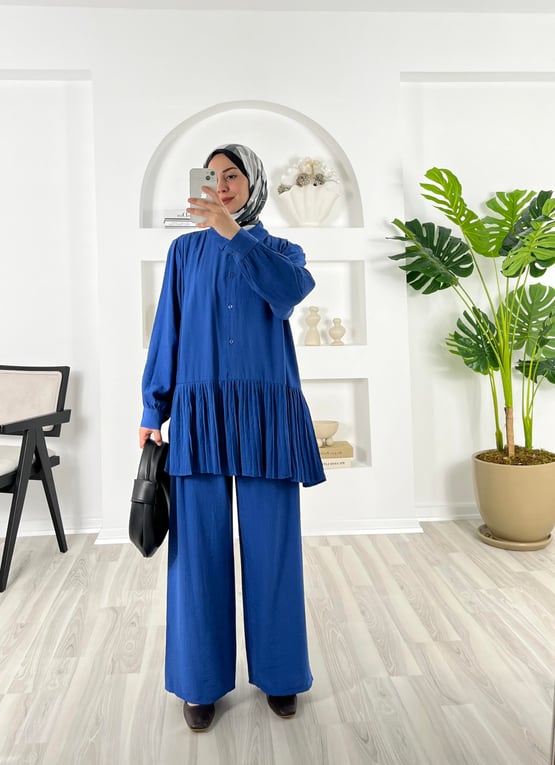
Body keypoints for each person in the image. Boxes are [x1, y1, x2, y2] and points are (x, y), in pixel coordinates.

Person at [139, 143, 325, 732]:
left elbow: (289, 294)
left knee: (274, 550)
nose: (221, 185)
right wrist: (153, 406)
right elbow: (167, 329)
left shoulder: (281, 251)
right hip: (198, 413)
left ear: (254, 184)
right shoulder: (183, 252)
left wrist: (231, 232)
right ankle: (200, 683)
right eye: (212, 176)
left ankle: (280, 674)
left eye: (233, 176)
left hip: (267, 413)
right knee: (197, 553)